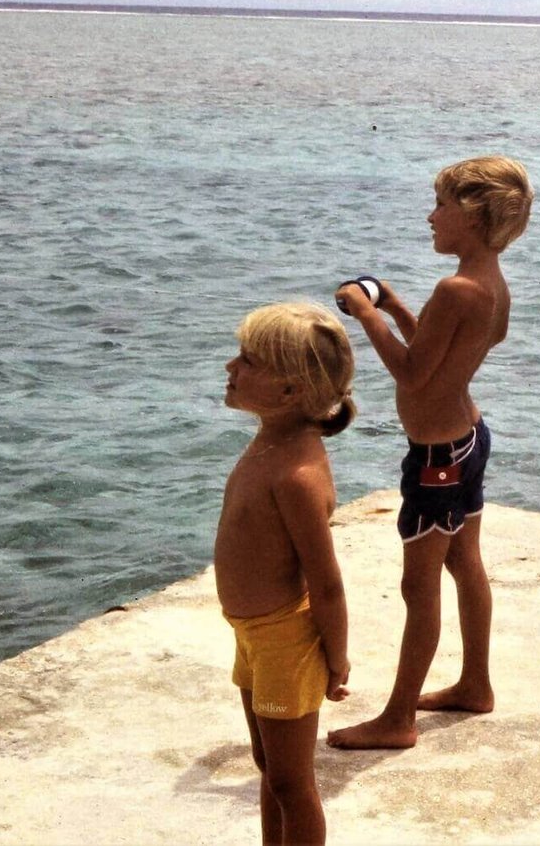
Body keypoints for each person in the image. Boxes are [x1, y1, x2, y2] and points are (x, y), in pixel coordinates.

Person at [328, 155, 533, 750]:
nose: (430, 217)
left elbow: (413, 374)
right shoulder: (490, 284)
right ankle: (475, 682)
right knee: (465, 561)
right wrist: (393, 308)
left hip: (438, 457)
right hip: (468, 439)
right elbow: (442, 352)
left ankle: (397, 719)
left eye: (441, 206)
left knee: (420, 585)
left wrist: (365, 316)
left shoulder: (454, 287)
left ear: (470, 217)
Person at [215, 301, 356, 845]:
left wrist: (335, 655)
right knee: (268, 768)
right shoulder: (270, 440)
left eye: (249, 361)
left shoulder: (297, 473)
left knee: (294, 783)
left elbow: (326, 581)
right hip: (252, 634)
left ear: (291, 391)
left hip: (285, 640)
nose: (231, 367)